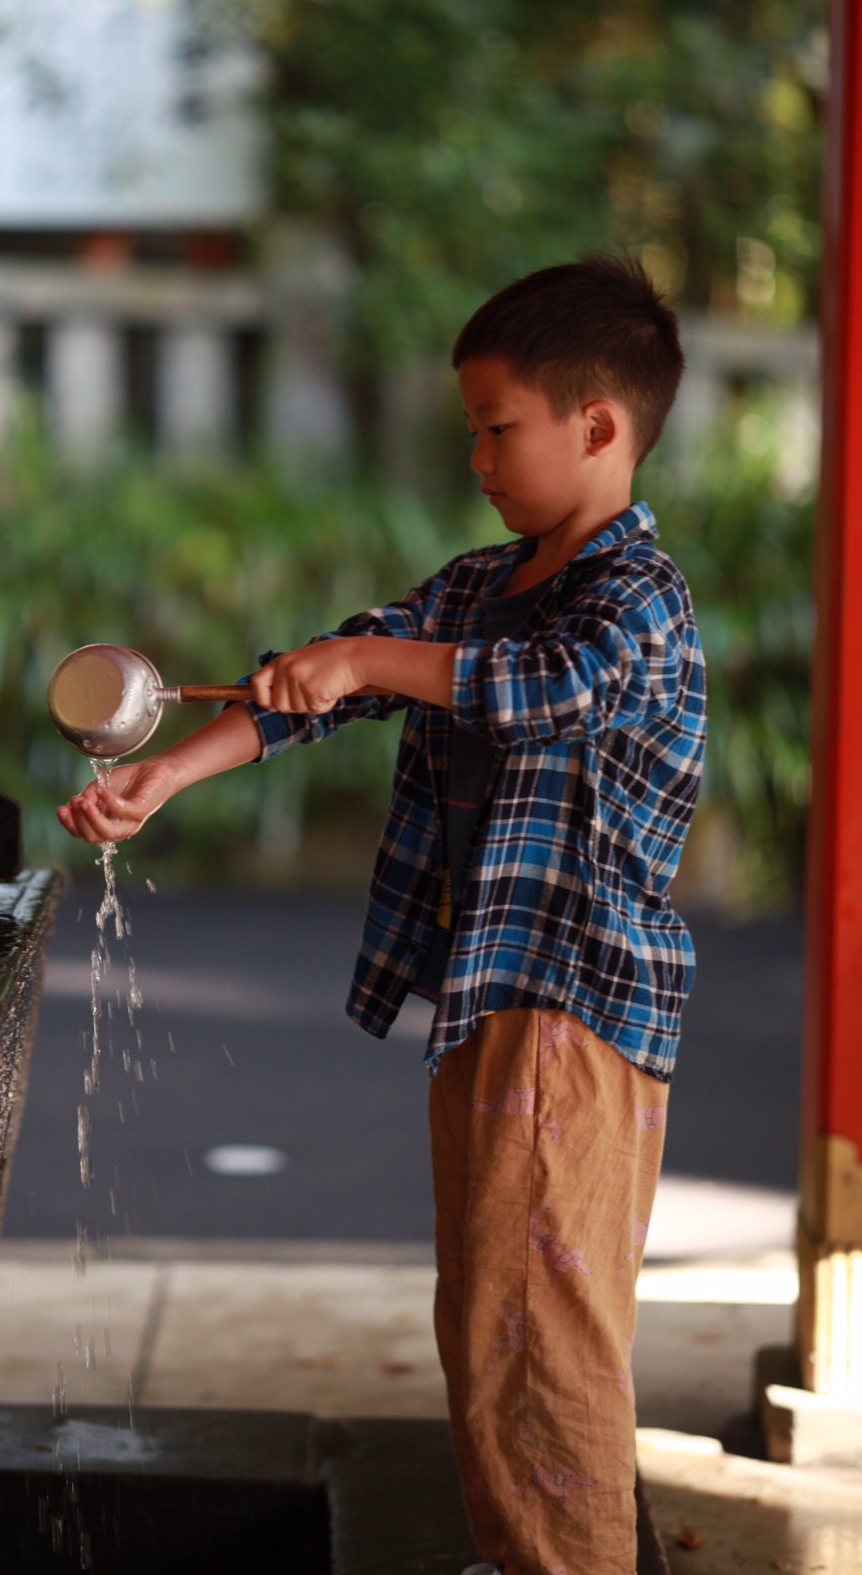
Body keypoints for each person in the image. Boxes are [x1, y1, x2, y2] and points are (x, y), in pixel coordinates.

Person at [57, 255, 706, 1575]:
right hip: (490, 1007)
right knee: (487, 1314)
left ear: (597, 426)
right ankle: (522, 1550)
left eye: (496, 424)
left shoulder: (636, 601)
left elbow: (544, 689)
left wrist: (364, 660)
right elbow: (336, 680)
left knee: (548, 1327)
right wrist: (171, 769)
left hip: (574, 1012)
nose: (476, 453)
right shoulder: (476, 588)